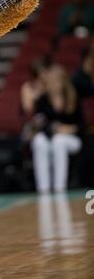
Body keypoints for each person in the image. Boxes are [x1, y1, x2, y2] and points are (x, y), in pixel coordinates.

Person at [31, 65, 84, 193]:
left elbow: (81, 125)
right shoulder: (42, 100)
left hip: (72, 139)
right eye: (51, 81)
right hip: (49, 136)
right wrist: (50, 128)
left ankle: (60, 187)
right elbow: (39, 122)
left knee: (59, 141)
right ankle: (43, 188)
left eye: (57, 81)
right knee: (39, 141)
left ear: (63, 81)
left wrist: (68, 129)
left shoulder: (72, 98)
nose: (54, 85)